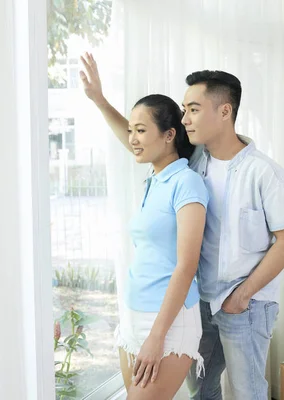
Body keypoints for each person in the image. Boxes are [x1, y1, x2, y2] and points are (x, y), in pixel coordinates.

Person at [80, 52, 284, 400]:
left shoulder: (265, 174)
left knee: (247, 393)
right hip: (202, 301)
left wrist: (242, 296)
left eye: (193, 109)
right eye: (183, 110)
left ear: (224, 111)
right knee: (202, 390)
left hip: (246, 304)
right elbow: (143, 143)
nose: (185, 119)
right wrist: (100, 101)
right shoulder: (194, 163)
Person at [80, 62, 209, 399]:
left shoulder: (187, 183)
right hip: (134, 311)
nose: (133, 139)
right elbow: (134, 141)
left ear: (169, 135)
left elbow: (186, 265)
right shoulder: (155, 177)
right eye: (131, 131)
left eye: (141, 130)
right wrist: (99, 99)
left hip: (168, 321)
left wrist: (156, 335)